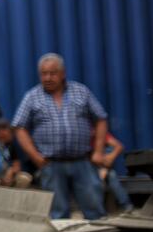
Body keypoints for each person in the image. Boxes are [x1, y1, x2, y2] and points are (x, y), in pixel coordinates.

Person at [10, 54, 108, 220]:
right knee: (58, 214)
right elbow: (19, 127)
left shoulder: (81, 91)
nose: (47, 78)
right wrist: (35, 156)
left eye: (52, 73)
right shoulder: (32, 97)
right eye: (43, 73)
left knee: (94, 210)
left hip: (82, 162)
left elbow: (100, 119)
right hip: (51, 165)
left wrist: (98, 151)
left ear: (63, 73)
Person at [96, 131, 133, 214]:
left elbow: (118, 146)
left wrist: (104, 167)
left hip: (99, 163)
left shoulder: (97, 132)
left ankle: (126, 206)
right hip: (92, 164)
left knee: (110, 177)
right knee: (108, 178)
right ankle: (127, 205)